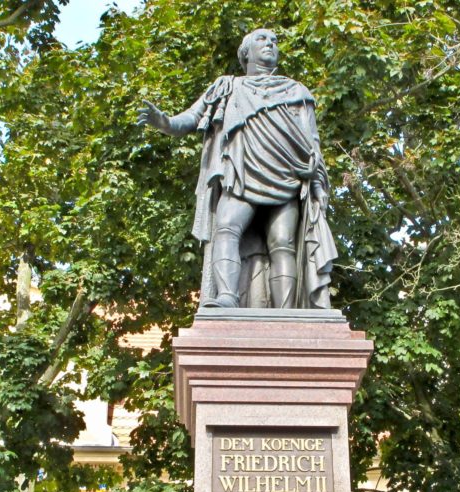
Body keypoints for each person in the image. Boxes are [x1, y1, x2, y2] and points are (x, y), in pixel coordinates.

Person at [138, 28, 337, 309]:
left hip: (288, 176)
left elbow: (311, 142)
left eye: (274, 41)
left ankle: (286, 315)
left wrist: (316, 178)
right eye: (262, 39)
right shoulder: (228, 87)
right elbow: (193, 119)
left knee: (282, 243)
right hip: (242, 175)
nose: (270, 43)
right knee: (226, 228)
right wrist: (165, 123)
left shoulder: (296, 91)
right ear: (246, 52)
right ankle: (226, 298)